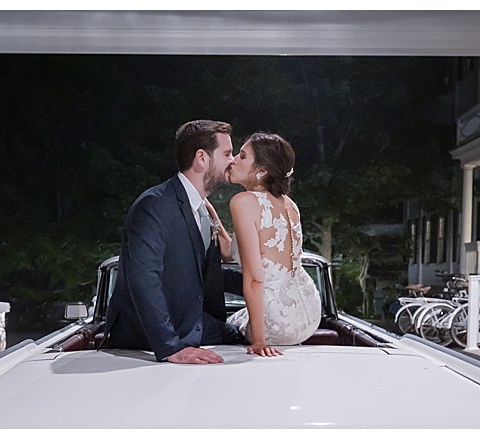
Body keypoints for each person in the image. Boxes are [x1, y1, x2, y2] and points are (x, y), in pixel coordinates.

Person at [104, 120, 242, 364]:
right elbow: (144, 279)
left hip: (195, 323)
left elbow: (206, 274)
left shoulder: (203, 210)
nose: (232, 160)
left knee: (247, 343)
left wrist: (267, 286)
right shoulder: (154, 205)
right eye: (227, 153)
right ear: (202, 158)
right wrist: (170, 348)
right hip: (149, 337)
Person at [209, 132, 322, 356]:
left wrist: (259, 340)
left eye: (241, 156)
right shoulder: (289, 204)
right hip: (309, 312)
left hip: (277, 321)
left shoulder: (243, 202)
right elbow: (232, 253)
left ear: (261, 172)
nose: (233, 160)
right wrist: (212, 214)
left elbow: (255, 278)